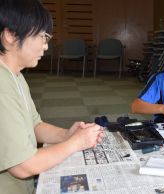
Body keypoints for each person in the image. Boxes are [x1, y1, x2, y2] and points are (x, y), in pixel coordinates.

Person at [0, 0, 104, 193]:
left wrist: (67, 134)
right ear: (10, 35)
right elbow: (23, 166)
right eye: (42, 36)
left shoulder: (15, 75)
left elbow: (35, 125)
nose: (46, 47)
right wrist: (76, 142)